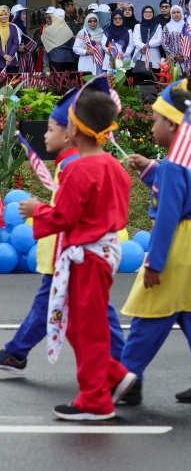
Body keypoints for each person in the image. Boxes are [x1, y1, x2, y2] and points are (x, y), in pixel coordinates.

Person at [18, 85, 135, 420]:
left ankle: (95, 399)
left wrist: (37, 209)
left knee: (88, 328)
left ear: (76, 129)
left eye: (67, 122)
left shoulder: (78, 169)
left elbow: (63, 217)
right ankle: (112, 375)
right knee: (78, 324)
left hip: (86, 256)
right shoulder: (114, 166)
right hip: (101, 253)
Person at [119, 80, 191, 406]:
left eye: (155, 119)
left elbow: (167, 215)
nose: (152, 126)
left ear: (172, 123)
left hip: (177, 243)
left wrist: (154, 263)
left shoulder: (173, 165)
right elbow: (180, 184)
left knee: (149, 312)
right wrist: (151, 168)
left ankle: (127, 377)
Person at [133, 5, 164, 81]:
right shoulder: (137, 26)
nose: (148, 13)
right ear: (142, 14)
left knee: (154, 88)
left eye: (150, 12)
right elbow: (135, 41)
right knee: (139, 88)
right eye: (146, 12)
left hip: (154, 61)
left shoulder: (158, 26)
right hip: (140, 60)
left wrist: (146, 46)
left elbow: (160, 40)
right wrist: (143, 46)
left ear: (153, 14)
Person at [42, 8, 77, 73]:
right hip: (69, 59)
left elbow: (42, 43)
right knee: (67, 81)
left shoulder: (49, 30)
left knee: (56, 80)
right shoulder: (68, 29)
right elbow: (73, 46)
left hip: (56, 59)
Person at [103, 9, 134, 73]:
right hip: (110, 60)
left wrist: (124, 54)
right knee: (111, 82)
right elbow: (103, 45)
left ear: (123, 19)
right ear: (112, 19)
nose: (118, 20)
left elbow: (131, 45)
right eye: (115, 18)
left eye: (120, 18)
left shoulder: (128, 31)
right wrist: (114, 53)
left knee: (124, 81)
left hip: (124, 59)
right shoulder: (107, 31)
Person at [0, 5, 19, 75]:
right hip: (0, 61)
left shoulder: (13, 27)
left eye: (5, 14)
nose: (4, 16)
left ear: (8, 15)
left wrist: (10, 56)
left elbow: (16, 43)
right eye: (1, 15)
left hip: (11, 61)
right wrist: (4, 55)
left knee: (12, 84)